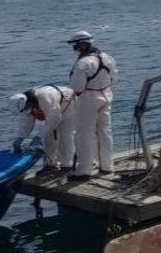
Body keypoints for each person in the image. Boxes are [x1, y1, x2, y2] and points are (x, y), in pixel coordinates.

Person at [67, 31, 118, 180]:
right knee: (104, 131)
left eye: (75, 45)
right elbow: (114, 78)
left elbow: (76, 87)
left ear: (81, 45)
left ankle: (84, 170)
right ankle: (107, 166)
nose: (74, 48)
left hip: (88, 97)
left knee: (84, 134)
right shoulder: (107, 57)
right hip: (106, 94)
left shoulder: (82, 63)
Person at [9, 85, 76, 176]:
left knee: (65, 137)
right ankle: (50, 165)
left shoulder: (46, 96)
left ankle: (67, 166)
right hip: (53, 112)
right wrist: (20, 138)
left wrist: (38, 137)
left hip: (69, 105)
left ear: (29, 103)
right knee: (48, 139)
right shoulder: (24, 105)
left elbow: (55, 118)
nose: (28, 112)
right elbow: (26, 123)